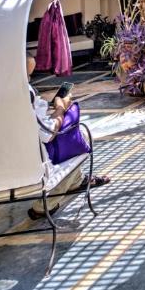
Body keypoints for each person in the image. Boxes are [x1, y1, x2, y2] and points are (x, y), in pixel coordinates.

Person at [27, 57, 109, 219]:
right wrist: (60, 108)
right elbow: (48, 134)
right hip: (32, 160)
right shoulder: (21, 95)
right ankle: (45, 205)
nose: (29, 79)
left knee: (72, 137)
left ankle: (76, 181)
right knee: (80, 138)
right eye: (28, 76)